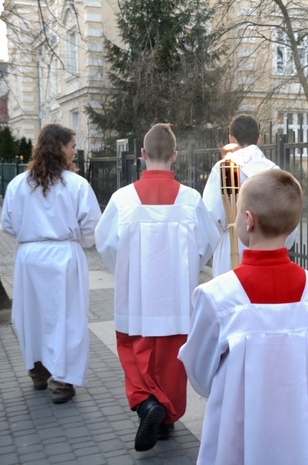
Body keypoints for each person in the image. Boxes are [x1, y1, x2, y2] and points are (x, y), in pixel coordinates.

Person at [179, 169, 308, 465]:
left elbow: (199, 373)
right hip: (299, 429)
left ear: (247, 220)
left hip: (237, 431)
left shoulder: (217, 294)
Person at [95, 123, 219, 452]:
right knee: (171, 358)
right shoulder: (190, 199)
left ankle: (146, 405)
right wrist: (189, 268)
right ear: (175, 157)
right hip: (175, 296)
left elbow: (104, 242)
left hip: (135, 293)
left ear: (142, 155)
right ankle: (165, 418)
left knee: (134, 352)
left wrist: (122, 270)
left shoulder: (123, 199)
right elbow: (209, 242)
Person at [1, 123, 101, 404]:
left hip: (30, 258)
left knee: (31, 314)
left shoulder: (18, 184)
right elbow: (92, 226)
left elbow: (8, 224)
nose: (74, 151)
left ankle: (38, 371)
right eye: (71, 146)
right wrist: (76, 242)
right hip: (63, 258)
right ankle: (62, 380)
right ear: (60, 148)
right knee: (66, 318)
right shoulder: (77, 185)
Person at [202, 114, 296, 277]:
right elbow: (288, 221)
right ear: (259, 139)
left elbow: (211, 218)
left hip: (231, 247)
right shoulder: (274, 171)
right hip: (268, 251)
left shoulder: (225, 167)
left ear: (231, 138)